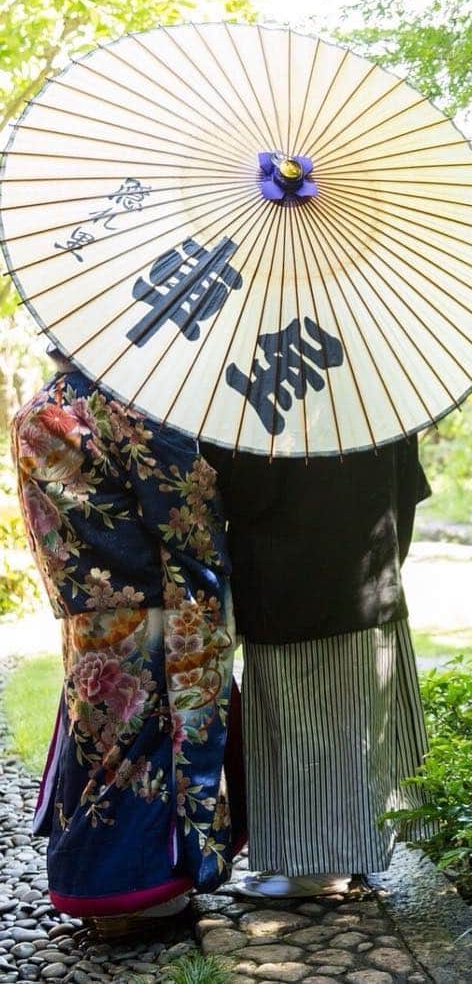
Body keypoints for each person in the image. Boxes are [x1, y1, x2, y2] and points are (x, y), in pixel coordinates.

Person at [11, 350, 245, 934]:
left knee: (98, 742)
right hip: (151, 610)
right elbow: (185, 512)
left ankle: (93, 887)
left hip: (86, 615)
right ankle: (141, 897)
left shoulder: (38, 409)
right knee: (147, 746)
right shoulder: (132, 406)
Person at [202, 438, 432, 898]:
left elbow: (233, 495)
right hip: (369, 584)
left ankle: (313, 868)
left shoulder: (254, 394)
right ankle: (354, 852)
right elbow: (406, 490)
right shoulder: (375, 388)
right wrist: (387, 565)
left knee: (302, 729)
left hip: (285, 591)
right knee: (360, 727)